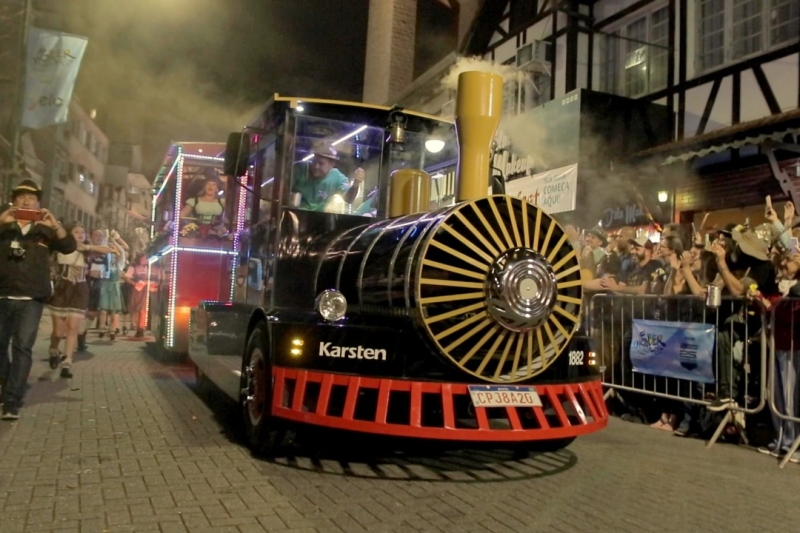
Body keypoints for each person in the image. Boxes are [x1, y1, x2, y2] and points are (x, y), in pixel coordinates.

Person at [0, 179, 76, 419]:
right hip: (2, 293)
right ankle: (9, 381)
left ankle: (12, 400)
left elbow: (68, 247)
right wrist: (3, 221)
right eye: (21, 197)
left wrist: (55, 224)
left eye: (31, 198)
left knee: (22, 347)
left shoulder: (44, 230)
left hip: (32, 297)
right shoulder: (4, 227)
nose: (26, 201)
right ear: (14, 201)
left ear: (38, 203)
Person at [47, 222, 116, 378]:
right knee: (58, 332)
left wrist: (86, 247)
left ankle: (67, 362)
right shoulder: (61, 248)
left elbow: (108, 250)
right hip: (62, 289)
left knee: (73, 328)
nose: (80, 234)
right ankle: (53, 348)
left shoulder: (88, 251)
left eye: (82, 232)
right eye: (76, 231)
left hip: (80, 289)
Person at [292, 145, 364, 211]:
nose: (316, 166)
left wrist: (356, 183)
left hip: (318, 217)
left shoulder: (338, 178)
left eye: (321, 163)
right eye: (314, 161)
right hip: (294, 213)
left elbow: (349, 199)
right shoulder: (298, 168)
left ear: (332, 164)